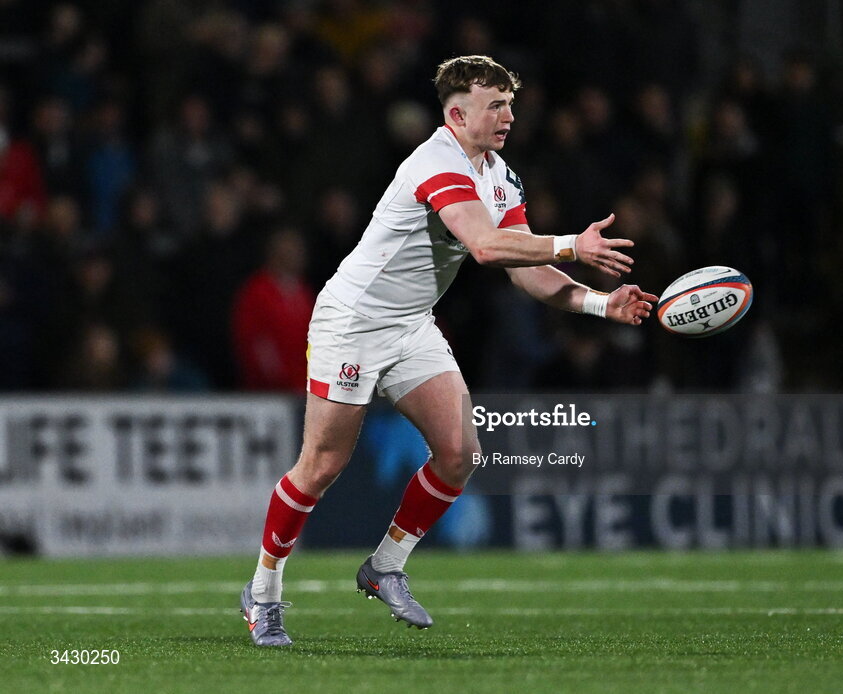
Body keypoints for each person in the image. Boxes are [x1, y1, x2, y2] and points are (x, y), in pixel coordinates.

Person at [240, 55, 658, 646]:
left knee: (460, 452)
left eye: (510, 103)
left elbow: (525, 270)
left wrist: (599, 304)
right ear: (457, 113)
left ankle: (385, 566)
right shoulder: (436, 162)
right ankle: (262, 593)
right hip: (353, 322)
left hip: (410, 323)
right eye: (496, 104)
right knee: (323, 466)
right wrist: (571, 244)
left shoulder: (498, 173)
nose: (509, 114)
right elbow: (487, 248)